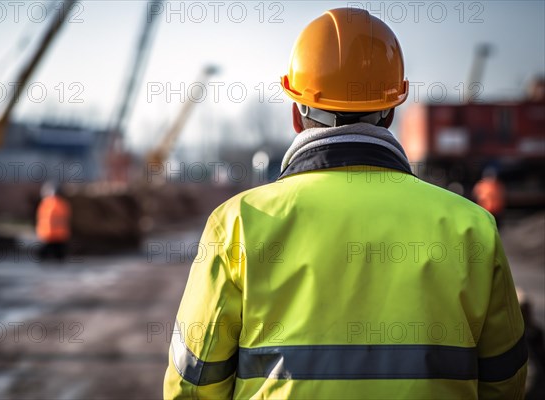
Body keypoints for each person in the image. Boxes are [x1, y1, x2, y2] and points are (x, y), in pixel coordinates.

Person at [164, 8, 527, 399]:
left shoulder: (238, 222)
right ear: (390, 112)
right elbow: (506, 380)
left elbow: (193, 384)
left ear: (295, 113)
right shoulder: (471, 227)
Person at [36, 182, 71, 262]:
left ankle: (44, 260)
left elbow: (41, 219)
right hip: (60, 234)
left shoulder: (46, 203)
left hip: (47, 233)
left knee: (47, 251)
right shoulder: (63, 204)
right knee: (58, 252)